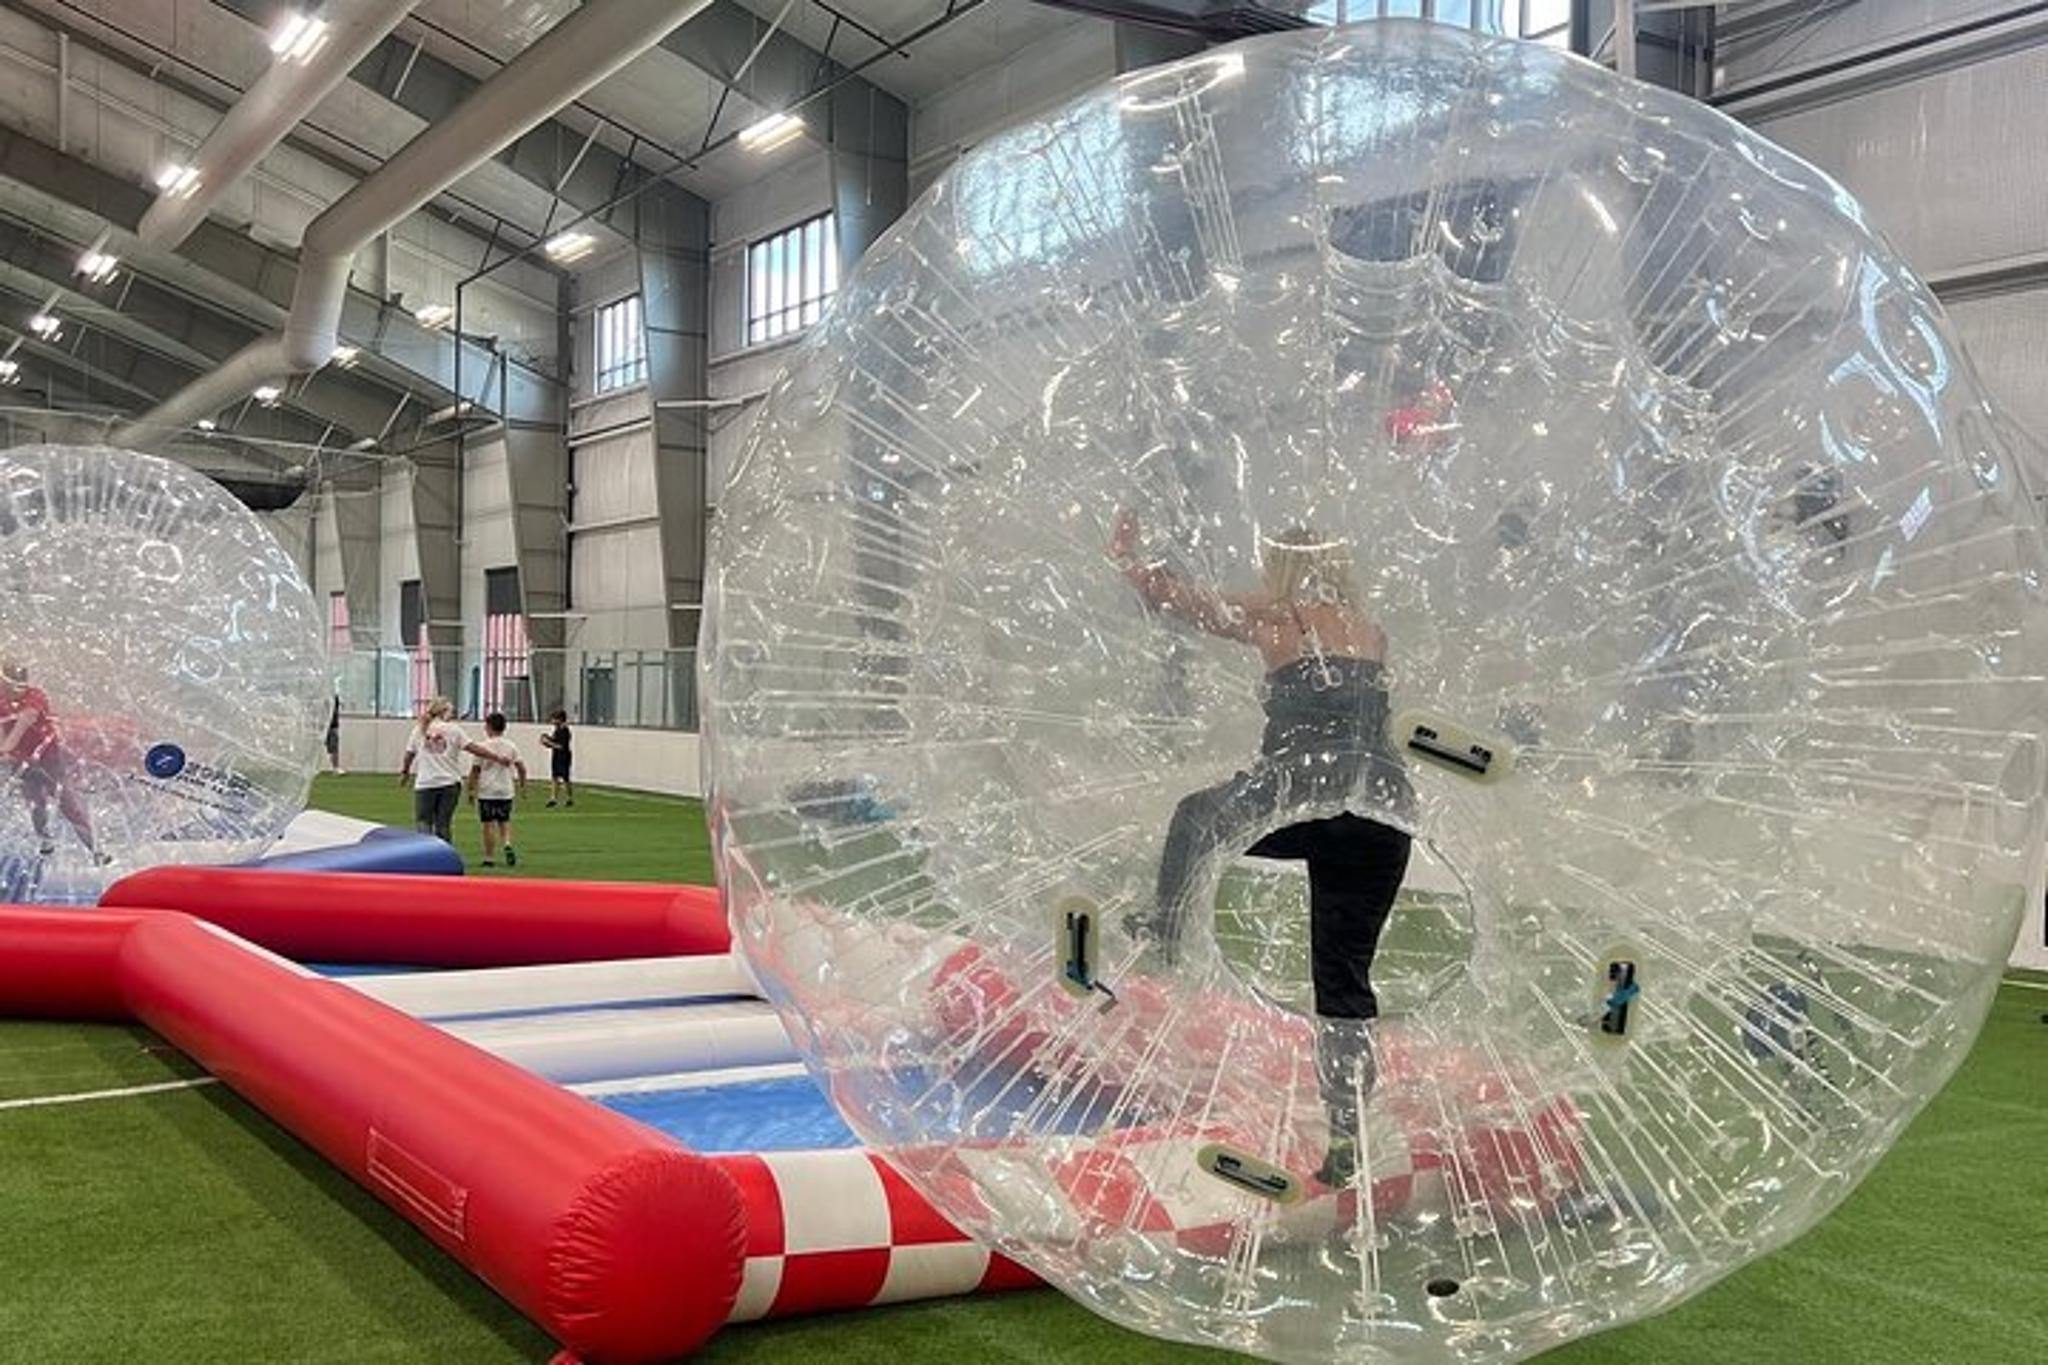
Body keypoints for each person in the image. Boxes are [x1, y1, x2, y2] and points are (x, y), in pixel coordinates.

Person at [1109, 512, 1412, 1187]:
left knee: (1196, 816)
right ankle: (1346, 1133)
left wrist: (1128, 559)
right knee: (1342, 979)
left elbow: (1177, 599)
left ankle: (1165, 932)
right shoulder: (1370, 630)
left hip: (1298, 798)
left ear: (1283, 570)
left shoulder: (1279, 617)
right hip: (1382, 811)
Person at [0, 660, 107, 863]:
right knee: (36, 805)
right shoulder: (1, 699)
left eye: (18, 687)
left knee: (68, 803)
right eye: (8, 686)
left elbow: (20, 728)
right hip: (22, 761)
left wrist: (4, 749)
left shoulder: (35, 697)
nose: (13, 691)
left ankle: (96, 851)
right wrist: (6, 753)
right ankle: (45, 842)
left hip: (48, 759)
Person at [398, 697, 507, 846]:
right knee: (443, 823)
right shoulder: (453, 730)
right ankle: (444, 855)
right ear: (443, 711)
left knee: (423, 822)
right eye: (451, 711)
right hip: (449, 783)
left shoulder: (419, 729)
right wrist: (496, 757)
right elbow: (473, 748)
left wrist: (405, 772)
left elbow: (409, 754)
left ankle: (425, 853)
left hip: (425, 783)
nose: (452, 714)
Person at [466, 712, 527, 867]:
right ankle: (507, 844)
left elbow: (475, 771)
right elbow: (521, 767)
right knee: (504, 822)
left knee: (488, 825)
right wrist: (522, 785)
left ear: (489, 727)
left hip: (487, 791)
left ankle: (489, 857)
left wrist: (471, 790)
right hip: (505, 790)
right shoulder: (511, 746)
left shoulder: (482, 747)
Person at [539, 709, 574, 807]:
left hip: (564, 757)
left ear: (560, 719)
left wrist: (549, 743)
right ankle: (553, 798)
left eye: (554, 719)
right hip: (556, 756)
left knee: (565, 778)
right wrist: (547, 740)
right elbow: (554, 741)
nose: (553, 721)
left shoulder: (565, 731)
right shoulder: (557, 730)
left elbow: (561, 746)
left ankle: (569, 798)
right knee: (554, 777)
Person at [324, 693, 344, 775]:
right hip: (330, 728)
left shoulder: (333, 709)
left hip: (331, 727)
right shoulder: (330, 708)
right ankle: (335, 767)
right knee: (334, 749)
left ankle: (335, 767)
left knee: (333, 749)